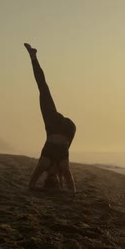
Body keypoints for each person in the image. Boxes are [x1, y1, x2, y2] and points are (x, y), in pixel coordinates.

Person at [24, 43, 76, 194]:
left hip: (58, 127)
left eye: (49, 182)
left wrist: (45, 190)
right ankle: (33, 57)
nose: (51, 180)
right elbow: (72, 190)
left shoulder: (45, 165)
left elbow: (32, 185)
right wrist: (60, 190)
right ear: (56, 182)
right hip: (66, 129)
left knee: (43, 88)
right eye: (55, 182)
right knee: (43, 87)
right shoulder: (62, 167)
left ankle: (33, 57)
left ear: (46, 180)